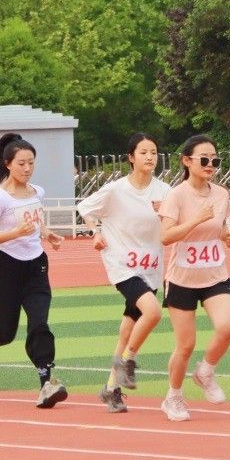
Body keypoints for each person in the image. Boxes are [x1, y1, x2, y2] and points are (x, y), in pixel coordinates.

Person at [0, 133, 69, 409]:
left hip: (36, 266)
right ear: (8, 164)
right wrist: (15, 232)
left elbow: (35, 221)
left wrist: (48, 234)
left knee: (39, 323)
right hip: (6, 268)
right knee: (4, 334)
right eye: (21, 163)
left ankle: (46, 384)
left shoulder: (37, 192)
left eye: (31, 163)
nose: (27, 168)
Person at [77, 133, 170, 413]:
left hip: (151, 267)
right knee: (153, 312)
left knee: (128, 330)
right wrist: (96, 232)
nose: (150, 157)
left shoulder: (165, 191)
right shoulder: (116, 190)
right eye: (143, 152)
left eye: (153, 152)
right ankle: (127, 361)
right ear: (131, 157)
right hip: (123, 266)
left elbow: (176, 222)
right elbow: (85, 208)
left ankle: (111, 389)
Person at [158, 134, 230, 422]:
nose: (210, 164)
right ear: (186, 161)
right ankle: (173, 397)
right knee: (186, 345)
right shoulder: (176, 196)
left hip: (215, 274)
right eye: (204, 159)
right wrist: (195, 220)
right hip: (182, 279)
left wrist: (226, 237)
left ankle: (205, 371)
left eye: (215, 160)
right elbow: (166, 237)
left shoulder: (222, 194)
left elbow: (219, 227)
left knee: (226, 327)